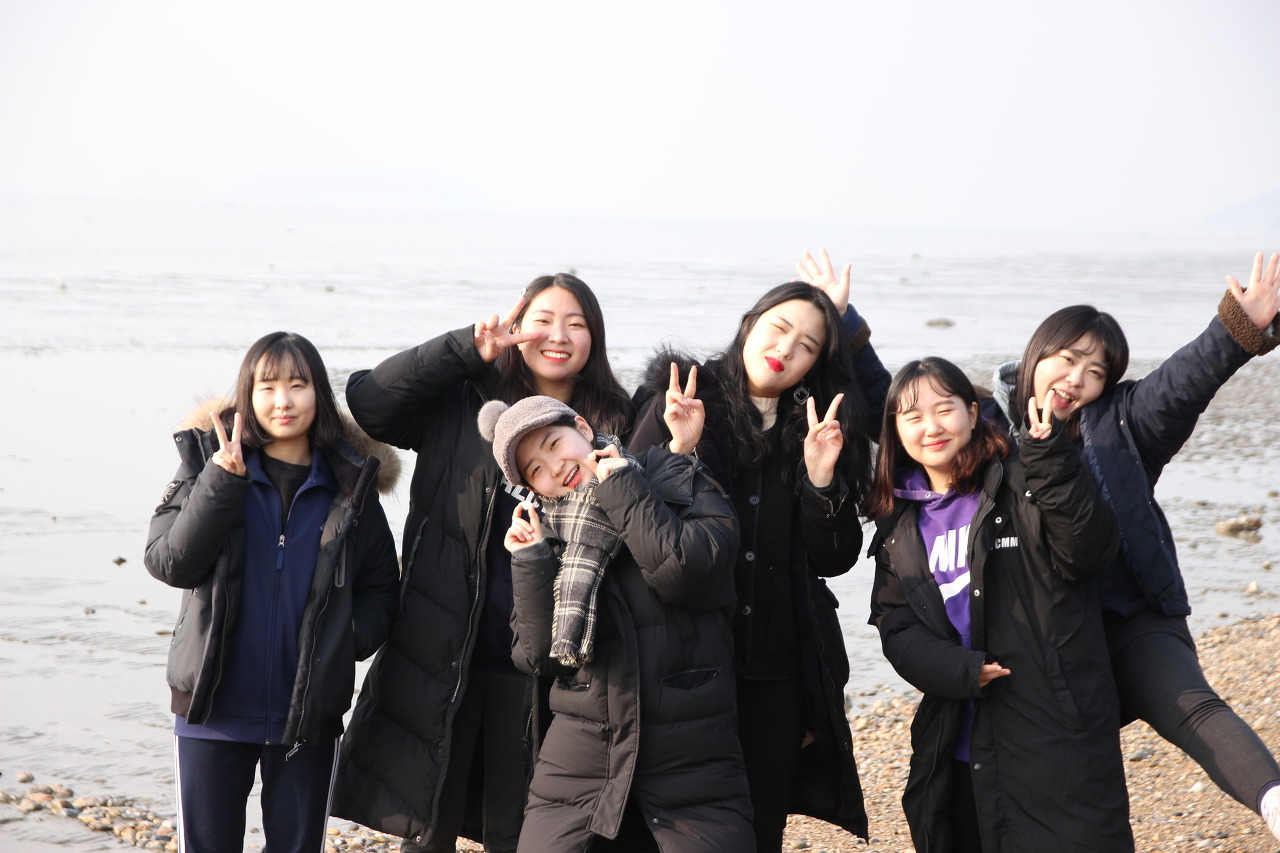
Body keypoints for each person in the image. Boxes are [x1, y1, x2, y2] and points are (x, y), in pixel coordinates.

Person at [331, 273, 634, 852]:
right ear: (518, 327)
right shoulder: (462, 399)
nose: (558, 336)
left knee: (523, 831)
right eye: (543, 320)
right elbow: (369, 403)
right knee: (427, 825)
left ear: (594, 337)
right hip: (444, 651)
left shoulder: (616, 422)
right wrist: (464, 349)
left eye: (576, 324)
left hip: (551, 666)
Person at [988, 251, 1280, 842]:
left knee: (1193, 707)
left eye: (1095, 371)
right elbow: (907, 412)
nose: (1077, 378)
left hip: (1129, 618)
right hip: (1038, 639)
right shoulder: (985, 428)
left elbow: (1184, 382)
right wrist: (847, 332)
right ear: (1036, 353)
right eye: (1068, 358)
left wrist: (1236, 329)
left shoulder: (1124, 423)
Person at [628, 251, 887, 849]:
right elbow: (631, 520)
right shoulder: (682, 397)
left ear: (817, 363)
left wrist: (821, 480)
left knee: (759, 826)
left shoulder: (819, 426)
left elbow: (835, 560)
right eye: (779, 328)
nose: (786, 348)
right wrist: (680, 451)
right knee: (668, 827)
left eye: (807, 345)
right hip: (685, 661)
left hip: (778, 667)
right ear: (749, 324)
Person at [144, 331, 400, 853]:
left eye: (297, 385)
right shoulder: (207, 464)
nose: (283, 400)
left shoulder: (351, 486)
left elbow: (381, 588)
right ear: (248, 395)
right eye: (267, 387)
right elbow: (169, 562)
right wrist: (220, 483)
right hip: (211, 711)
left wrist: (344, 641)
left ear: (318, 394)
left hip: (309, 716)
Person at [867, 357, 1132, 852]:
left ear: (972, 412)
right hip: (956, 739)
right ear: (895, 431)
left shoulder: (1020, 479)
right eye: (913, 417)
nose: (931, 427)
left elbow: (1088, 553)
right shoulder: (899, 522)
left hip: (1052, 726)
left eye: (944, 410)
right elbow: (896, 626)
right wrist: (961, 669)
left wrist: (1053, 460)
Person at [480, 393, 753, 852]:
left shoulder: (669, 474)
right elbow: (538, 657)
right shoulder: (549, 535)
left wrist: (622, 487)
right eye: (535, 470)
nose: (555, 468)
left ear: (583, 429)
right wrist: (529, 560)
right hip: (580, 762)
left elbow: (689, 574)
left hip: (691, 760)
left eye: (553, 444)